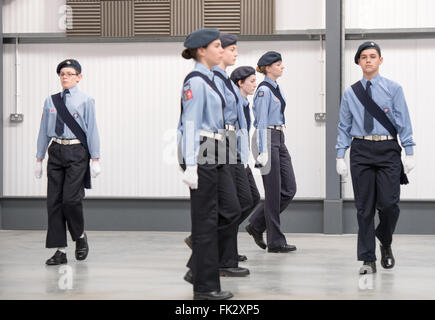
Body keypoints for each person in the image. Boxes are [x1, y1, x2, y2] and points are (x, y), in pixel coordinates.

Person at [336, 41, 416, 274]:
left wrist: (409, 150)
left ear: (380, 60)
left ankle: (385, 239)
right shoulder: (351, 92)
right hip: (360, 149)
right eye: (364, 57)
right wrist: (340, 154)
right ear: (359, 62)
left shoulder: (393, 89)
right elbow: (344, 125)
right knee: (364, 208)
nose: (368, 60)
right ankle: (367, 259)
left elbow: (403, 120)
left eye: (373, 56)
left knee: (390, 205)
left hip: (388, 149)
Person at [178, 28, 242, 300]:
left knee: (230, 209)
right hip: (202, 148)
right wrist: (190, 164)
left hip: (218, 147)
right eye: (216, 45)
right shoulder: (195, 81)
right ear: (201, 51)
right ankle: (205, 288)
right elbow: (190, 123)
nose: (221, 49)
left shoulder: (212, 79)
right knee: (205, 219)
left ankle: (198, 266)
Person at [35, 59, 101, 266]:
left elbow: (92, 130)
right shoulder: (50, 101)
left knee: (70, 200)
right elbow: (44, 130)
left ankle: (79, 236)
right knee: (54, 202)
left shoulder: (86, 100)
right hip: (56, 150)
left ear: (79, 77)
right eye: (62, 73)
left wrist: (96, 158)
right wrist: (39, 158)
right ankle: (60, 251)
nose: (65, 77)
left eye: (70, 73)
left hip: (77, 152)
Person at [245, 51, 297, 253]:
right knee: (273, 192)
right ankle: (275, 242)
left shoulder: (277, 89)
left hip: (278, 137)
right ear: (268, 68)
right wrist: (263, 149)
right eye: (278, 64)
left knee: (289, 188)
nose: (282, 66)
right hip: (265, 137)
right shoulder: (263, 91)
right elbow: (261, 120)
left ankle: (256, 224)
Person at [230, 65, 261, 259]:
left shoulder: (243, 103)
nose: (255, 85)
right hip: (233, 157)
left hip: (241, 157)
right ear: (240, 83)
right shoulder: (233, 101)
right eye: (251, 81)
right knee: (240, 202)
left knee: (253, 198)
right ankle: (222, 243)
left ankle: (224, 241)